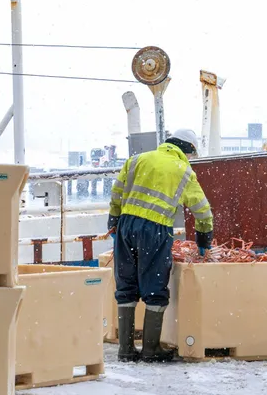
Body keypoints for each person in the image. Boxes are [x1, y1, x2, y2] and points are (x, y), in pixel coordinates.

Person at [107, 128, 214, 362]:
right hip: (155, 230)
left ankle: (125, 349)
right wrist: (203, 240)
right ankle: (150, 348)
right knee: (154, 286)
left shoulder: (136, 160)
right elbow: (202, 210)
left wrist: (114, 222)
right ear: (189, 149)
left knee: (126, 284)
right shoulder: (183, 170)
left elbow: (116, 192)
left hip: (126, 225)